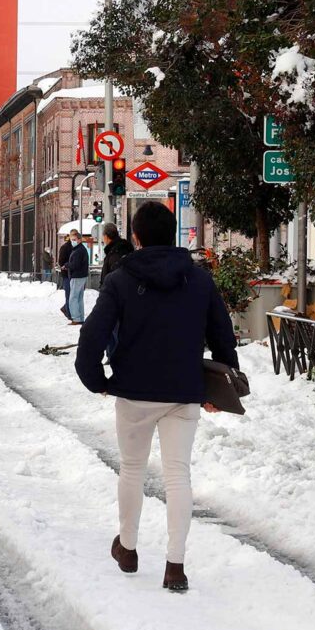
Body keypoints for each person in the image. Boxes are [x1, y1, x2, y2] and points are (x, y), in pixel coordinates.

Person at [75, 201, 239, 593]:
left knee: (132, 469)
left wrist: (96, 380)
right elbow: (223, 338)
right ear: (174, 233)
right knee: (177, 475)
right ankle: (176, 565)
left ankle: (127, 548)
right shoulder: (200, 281)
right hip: (183, 393)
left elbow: (91, 339)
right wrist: (220, 390)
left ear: (136, 237)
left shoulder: (119, 280)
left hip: (133, 391)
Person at [65, 230, 89, 325]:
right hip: (81, 275)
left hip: (77, 276)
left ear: (79, 240)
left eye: (74, 239)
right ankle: (80, 317)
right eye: (71, 240)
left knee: (73, 298)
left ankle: (76, 318)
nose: (72, 241)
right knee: (79, 298)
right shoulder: (81, 249)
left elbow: (76, 264)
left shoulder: (78, 251)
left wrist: (67, 265)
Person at [99, 223, 134, 287]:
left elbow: (115, 278)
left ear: (106, 237)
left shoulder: (114, 254)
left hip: (113, 293)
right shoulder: (124, 248)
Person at [57, 236, 74, 321]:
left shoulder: (75, 247)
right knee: (69, 294)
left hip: (73, 274)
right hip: (67, 274)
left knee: (72, 295)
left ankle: (66, 309)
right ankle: (68, 313)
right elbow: (61, 261)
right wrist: (67, 266)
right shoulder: (65, 248)